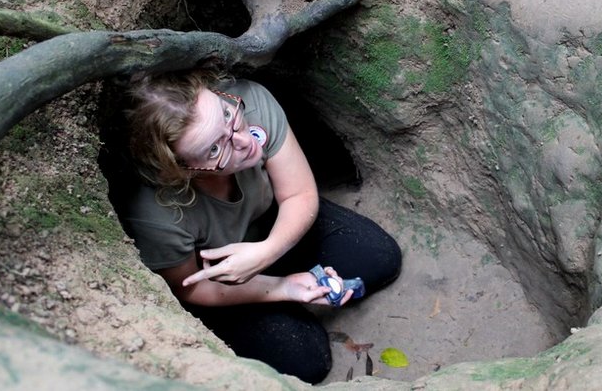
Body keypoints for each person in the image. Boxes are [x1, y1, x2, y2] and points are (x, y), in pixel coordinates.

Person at [98, 69, 402, 384]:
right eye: (214, 149)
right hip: (222, 274)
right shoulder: (157, 211)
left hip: (270, 224)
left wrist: (267, 253)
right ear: (180, 170)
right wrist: (283, 289)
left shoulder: (249, 101)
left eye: (227, 116)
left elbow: (298, 194)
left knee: (377, 258)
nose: (243, 141)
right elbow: (190, 285)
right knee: (307, 360)